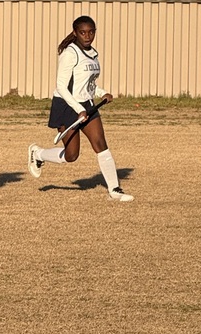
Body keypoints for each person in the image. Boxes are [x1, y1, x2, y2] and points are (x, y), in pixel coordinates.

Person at [27, 15, 133, 202]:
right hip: (67, 105)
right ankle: (38, 153)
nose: (88, 36)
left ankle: (114, 190)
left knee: (101, 144)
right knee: (71, 155)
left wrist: (102, 92)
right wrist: (78, 109)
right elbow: (61, 85)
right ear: (75, 33)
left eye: (91, 32)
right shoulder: (70, 53)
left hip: (87, 104)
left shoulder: (93, 53)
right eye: (83, 32)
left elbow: (88, 84)